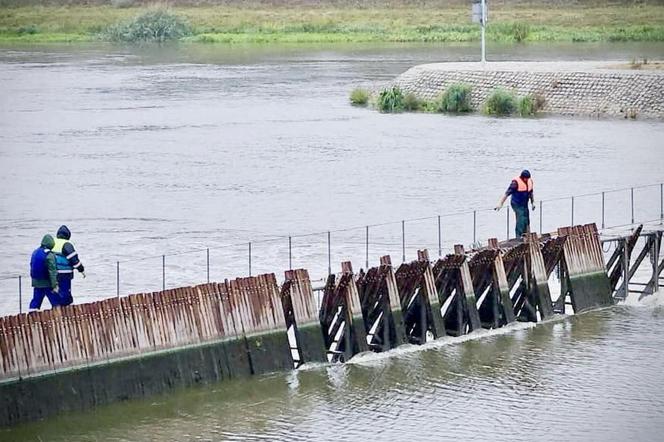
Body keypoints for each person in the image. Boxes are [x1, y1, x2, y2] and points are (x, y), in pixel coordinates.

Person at [494, 170, 536, 238]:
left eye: (528, 178)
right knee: (521, 219)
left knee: (526, 219)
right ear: (522, 177)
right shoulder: (515, 183)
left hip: (525, 203)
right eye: (526, 178)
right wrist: (500, 204)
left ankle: (527, 235)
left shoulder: (529, 181)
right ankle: (518, 237)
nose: (527, 180)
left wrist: (533, 202)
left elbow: (531, 193)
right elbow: (506, 194)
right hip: (516, 204)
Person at [52, 225, 85, 306]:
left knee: (55, 292)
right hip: (64, 272)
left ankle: (56, 308)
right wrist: (81, 269)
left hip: (52, 272)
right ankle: (67, 309)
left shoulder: (52, 242)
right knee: (65, 292)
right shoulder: (67, 244)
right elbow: (74, 259)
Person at [29, 234, 60, 310]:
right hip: (47, 283)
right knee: (55, 301)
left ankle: (32, 317)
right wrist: (54, 285)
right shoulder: (49, 255)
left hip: (36, 282)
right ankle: (57, 317)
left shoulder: (35, 252)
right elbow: (52, 272)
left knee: (36, 301)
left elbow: (31, 265)